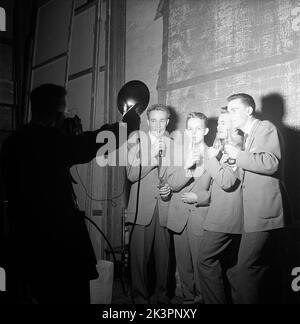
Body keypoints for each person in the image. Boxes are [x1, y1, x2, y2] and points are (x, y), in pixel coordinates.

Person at [0, 83, 125, 304]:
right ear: (57, 111)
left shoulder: (12, 142)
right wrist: (123, 128)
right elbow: (89, 143)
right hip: (59, 245)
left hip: (26, 242)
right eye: (65, 109)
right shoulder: (52, 141)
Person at [224, 93, 288, 304]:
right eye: (229, 109)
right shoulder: (248, 136)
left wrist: (237, 153)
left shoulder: (265, 128)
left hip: (265, 212)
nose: (230, 114)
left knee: (245, 270)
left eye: (234, 109)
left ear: (249, 110)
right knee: (253, 270)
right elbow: (250, 172)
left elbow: (270, 162)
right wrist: (234, 162)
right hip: (253, 214)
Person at [126, 104, 172, 304]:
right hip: (141, 211)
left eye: (162, 120)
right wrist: (152, 158)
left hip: (165, 209)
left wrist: (169, 187)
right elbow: (131, 174)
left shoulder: (174, 143)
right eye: (153, 120)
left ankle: (163, 298)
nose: (158, 125)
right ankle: (140, 300)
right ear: (147, 121)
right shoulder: (136, 142)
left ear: (168, 121)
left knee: (164, 261)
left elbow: (177, 174)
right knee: (139, 261)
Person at [198, 108, 244, 304]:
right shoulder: (224, 150)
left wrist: (210, 159)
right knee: (232, 268)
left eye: (224, 123)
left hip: (224, 219)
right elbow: (208, 184)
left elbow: (227, 182)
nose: (220, 127)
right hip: (226, 218)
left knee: (204, 261)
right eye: (219, 124)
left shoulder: (238, 149)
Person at [167, 112, 211, 304]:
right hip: (179, 218)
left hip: (200, 218)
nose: (194, 133)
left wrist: (199, 197)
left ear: (206, 131)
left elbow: (222, 190)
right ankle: (188, 298)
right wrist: (186, 167)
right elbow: (172, 184)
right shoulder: (178, 153)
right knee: (183, 265)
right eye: (191, 129)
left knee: (201, 265)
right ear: (186, 131)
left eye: (198, 128)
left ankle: (202, 299)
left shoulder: (213, 154)